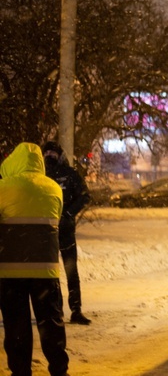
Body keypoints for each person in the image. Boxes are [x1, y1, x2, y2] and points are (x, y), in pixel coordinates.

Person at [0, 143, 70, 376]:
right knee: (51, 323)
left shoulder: (3, 188)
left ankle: (21, 372)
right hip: (45, 270)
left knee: (17, 327)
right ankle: (59, 369)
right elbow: (56, 216)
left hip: (11, 271)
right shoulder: (53, 189)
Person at [42, 141, 92, 325]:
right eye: (46, 152)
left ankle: (76, 310)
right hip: (47, 232)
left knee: (71, 272)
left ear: (59, 155)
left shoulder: (69, 175)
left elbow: (85, 196)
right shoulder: (41, 175)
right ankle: (56, 311)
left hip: (66, 232)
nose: (49, 155)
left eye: (53, 152)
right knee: (51, 274)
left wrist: (69, 213)